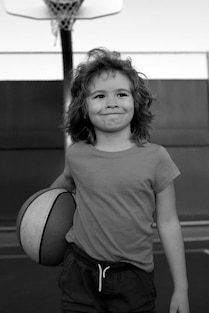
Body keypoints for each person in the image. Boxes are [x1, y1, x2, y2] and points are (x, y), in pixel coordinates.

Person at [50, 48, 190, 313]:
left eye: (121, 94)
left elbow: (169, 222)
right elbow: (54, 195)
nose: (112, 102)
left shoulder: (157, 157)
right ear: (84, 106)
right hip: (80, 270)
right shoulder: (77, 154)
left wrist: (181, 287)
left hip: (133, 278)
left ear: (135, 102)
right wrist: (38, 218)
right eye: (100, 96)